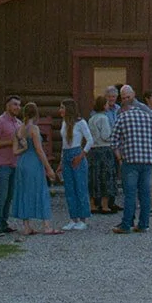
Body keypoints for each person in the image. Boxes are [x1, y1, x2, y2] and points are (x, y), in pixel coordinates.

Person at [112, 83, 152, 233]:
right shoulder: (148, 116)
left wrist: (120, 157)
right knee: (145, 194)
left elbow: (114, 141)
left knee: (130, 194)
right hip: (147, 160)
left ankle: (126, 224)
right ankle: (143, 224)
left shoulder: (122, 116)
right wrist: (149, 147)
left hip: (130, 160)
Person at [11, 103, 60, 235]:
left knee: (24, 192)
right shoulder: (34, 129)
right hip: (33, 163)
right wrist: (48, 168)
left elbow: (15, 151)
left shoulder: (18, 129)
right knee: (40, 190)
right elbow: (39, 150)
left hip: (22, 162)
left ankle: (27, 226)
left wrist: (24, 148)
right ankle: (47, 226)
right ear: (36, 114)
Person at [0, 94, 23, 236]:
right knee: (1, 195)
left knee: (9, 196)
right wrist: (11, 142)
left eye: (19, 105)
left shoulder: (19, 123)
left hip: (15, 163)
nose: (17, 107)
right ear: (7, 105)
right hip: (2, 164)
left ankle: (4, 222)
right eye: (15, 104)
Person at [57, 98, 93, 229]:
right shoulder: (64, 123)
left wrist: (81, 156)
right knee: (69, 189)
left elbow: (90, 140)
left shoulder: (80, 123)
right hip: (66, 155)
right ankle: (73, 218)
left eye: (62, 107)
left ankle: (83, 219)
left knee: (80, 187)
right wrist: (61, 162)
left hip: (77, 153)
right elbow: (64, 144)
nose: (60, 110)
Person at [88, 95, 116, 214]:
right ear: (104, 105)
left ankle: (93, 204)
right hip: (104, 150)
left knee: (94, 177)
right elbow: (105, 135)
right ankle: (105, 205)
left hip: (93, 150)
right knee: (106, 176)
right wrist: (113, 137)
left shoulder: (91, 119)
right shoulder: (104, 118)